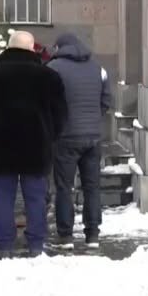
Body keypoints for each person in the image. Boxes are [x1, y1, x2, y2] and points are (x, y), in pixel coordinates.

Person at [0, 30, 67, 256]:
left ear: (8, 47)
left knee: (2, 198)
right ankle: (36, 244)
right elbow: (61, 115)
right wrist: (49, 136)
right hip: (36, 146)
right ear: (32, 48)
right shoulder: (49, 77)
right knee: (36, 198)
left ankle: (4, 244)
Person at [46, 32, 112, 249]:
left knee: (64, 187)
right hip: (92, 137)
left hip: (65, 137)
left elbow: (49, 103)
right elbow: (106, 100)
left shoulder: (53, 68)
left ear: (59, 48)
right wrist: (93, 119)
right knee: (92, 187)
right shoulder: (98, 68)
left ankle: (65, 236)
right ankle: (93, 234)